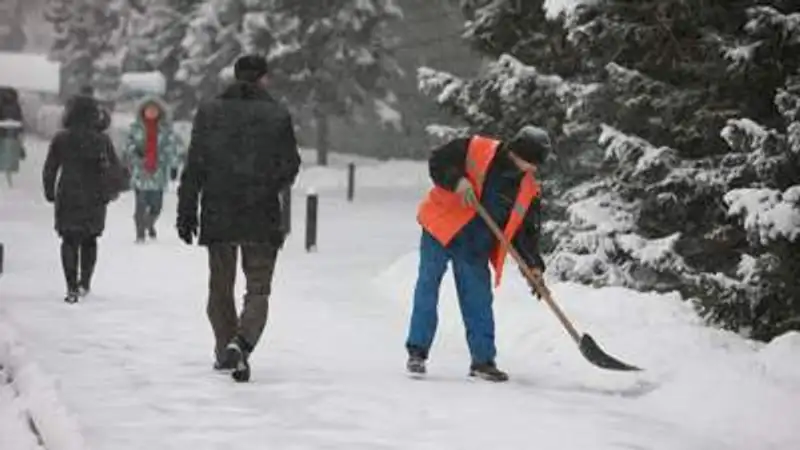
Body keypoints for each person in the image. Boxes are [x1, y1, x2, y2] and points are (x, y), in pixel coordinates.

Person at [177, 54, 301, 383]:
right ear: (263, 78)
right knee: (258, 288)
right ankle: (242, 343)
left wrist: (186, 210)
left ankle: (224, 348)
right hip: (261, 213)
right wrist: (270, 183)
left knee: (220, 286)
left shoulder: (209, 112)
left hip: (219, 211)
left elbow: (195, 166)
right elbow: (290, 165)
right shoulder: (277, 114)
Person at [405, 126, 552, 382]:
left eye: (534, 165)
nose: (531, 169)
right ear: (515, 152)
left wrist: (533, 266)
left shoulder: (527, 189)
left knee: (478, 299)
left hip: (475, 243)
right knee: (428, 286)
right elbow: (438, 161)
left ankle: (483, 361)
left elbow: (525, 233)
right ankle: (417, 352)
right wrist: (458, 181)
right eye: (528, 162)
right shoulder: (478, 148)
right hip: (441, 226)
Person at [43, 96, 125, 303]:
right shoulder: (101, 140)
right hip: (95, 195)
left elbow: (51, 167)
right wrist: (111, 191)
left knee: (69, 239)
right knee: (90, 239)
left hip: (68, 193)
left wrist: (49, 191)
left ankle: (71, 286)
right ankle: (85, 282)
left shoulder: (62, 138)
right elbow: (115, 168)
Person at [121, 96, 181, 242]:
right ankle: (140, 232)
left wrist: (174, 166)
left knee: (156, 206)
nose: (152, 112)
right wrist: (136, 157)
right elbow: (128, 147)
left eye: (155, 110)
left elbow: (172, 148)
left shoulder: (166, 130)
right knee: (140, 205)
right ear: (143, 111)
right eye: (149, 109)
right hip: (140, 173)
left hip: (158, 173)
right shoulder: (135, 129)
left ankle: (149, 223)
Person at [0, 87, 25, 187]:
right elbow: (20, 119)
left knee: (5, 158)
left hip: (4, 133)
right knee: (9, 160)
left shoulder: (2, 104)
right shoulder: (16, 105)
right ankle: (9, 182)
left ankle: (9, 182)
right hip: (12, 134)